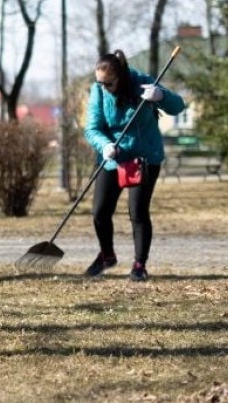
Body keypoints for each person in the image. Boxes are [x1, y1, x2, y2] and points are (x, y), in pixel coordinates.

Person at [83, 50, 185, 281]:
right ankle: (107, 255)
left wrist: (161, 96)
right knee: (100, 212)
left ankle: (140, 265)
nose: (104, 87)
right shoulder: (98, 90)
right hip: (113, 156)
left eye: (108, 83)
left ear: (121, 76)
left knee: (137, 212)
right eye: (100, 82)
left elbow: (178, 106)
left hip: (144, 156)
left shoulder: (142, 82)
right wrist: (105, 144)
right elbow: (92, 128)